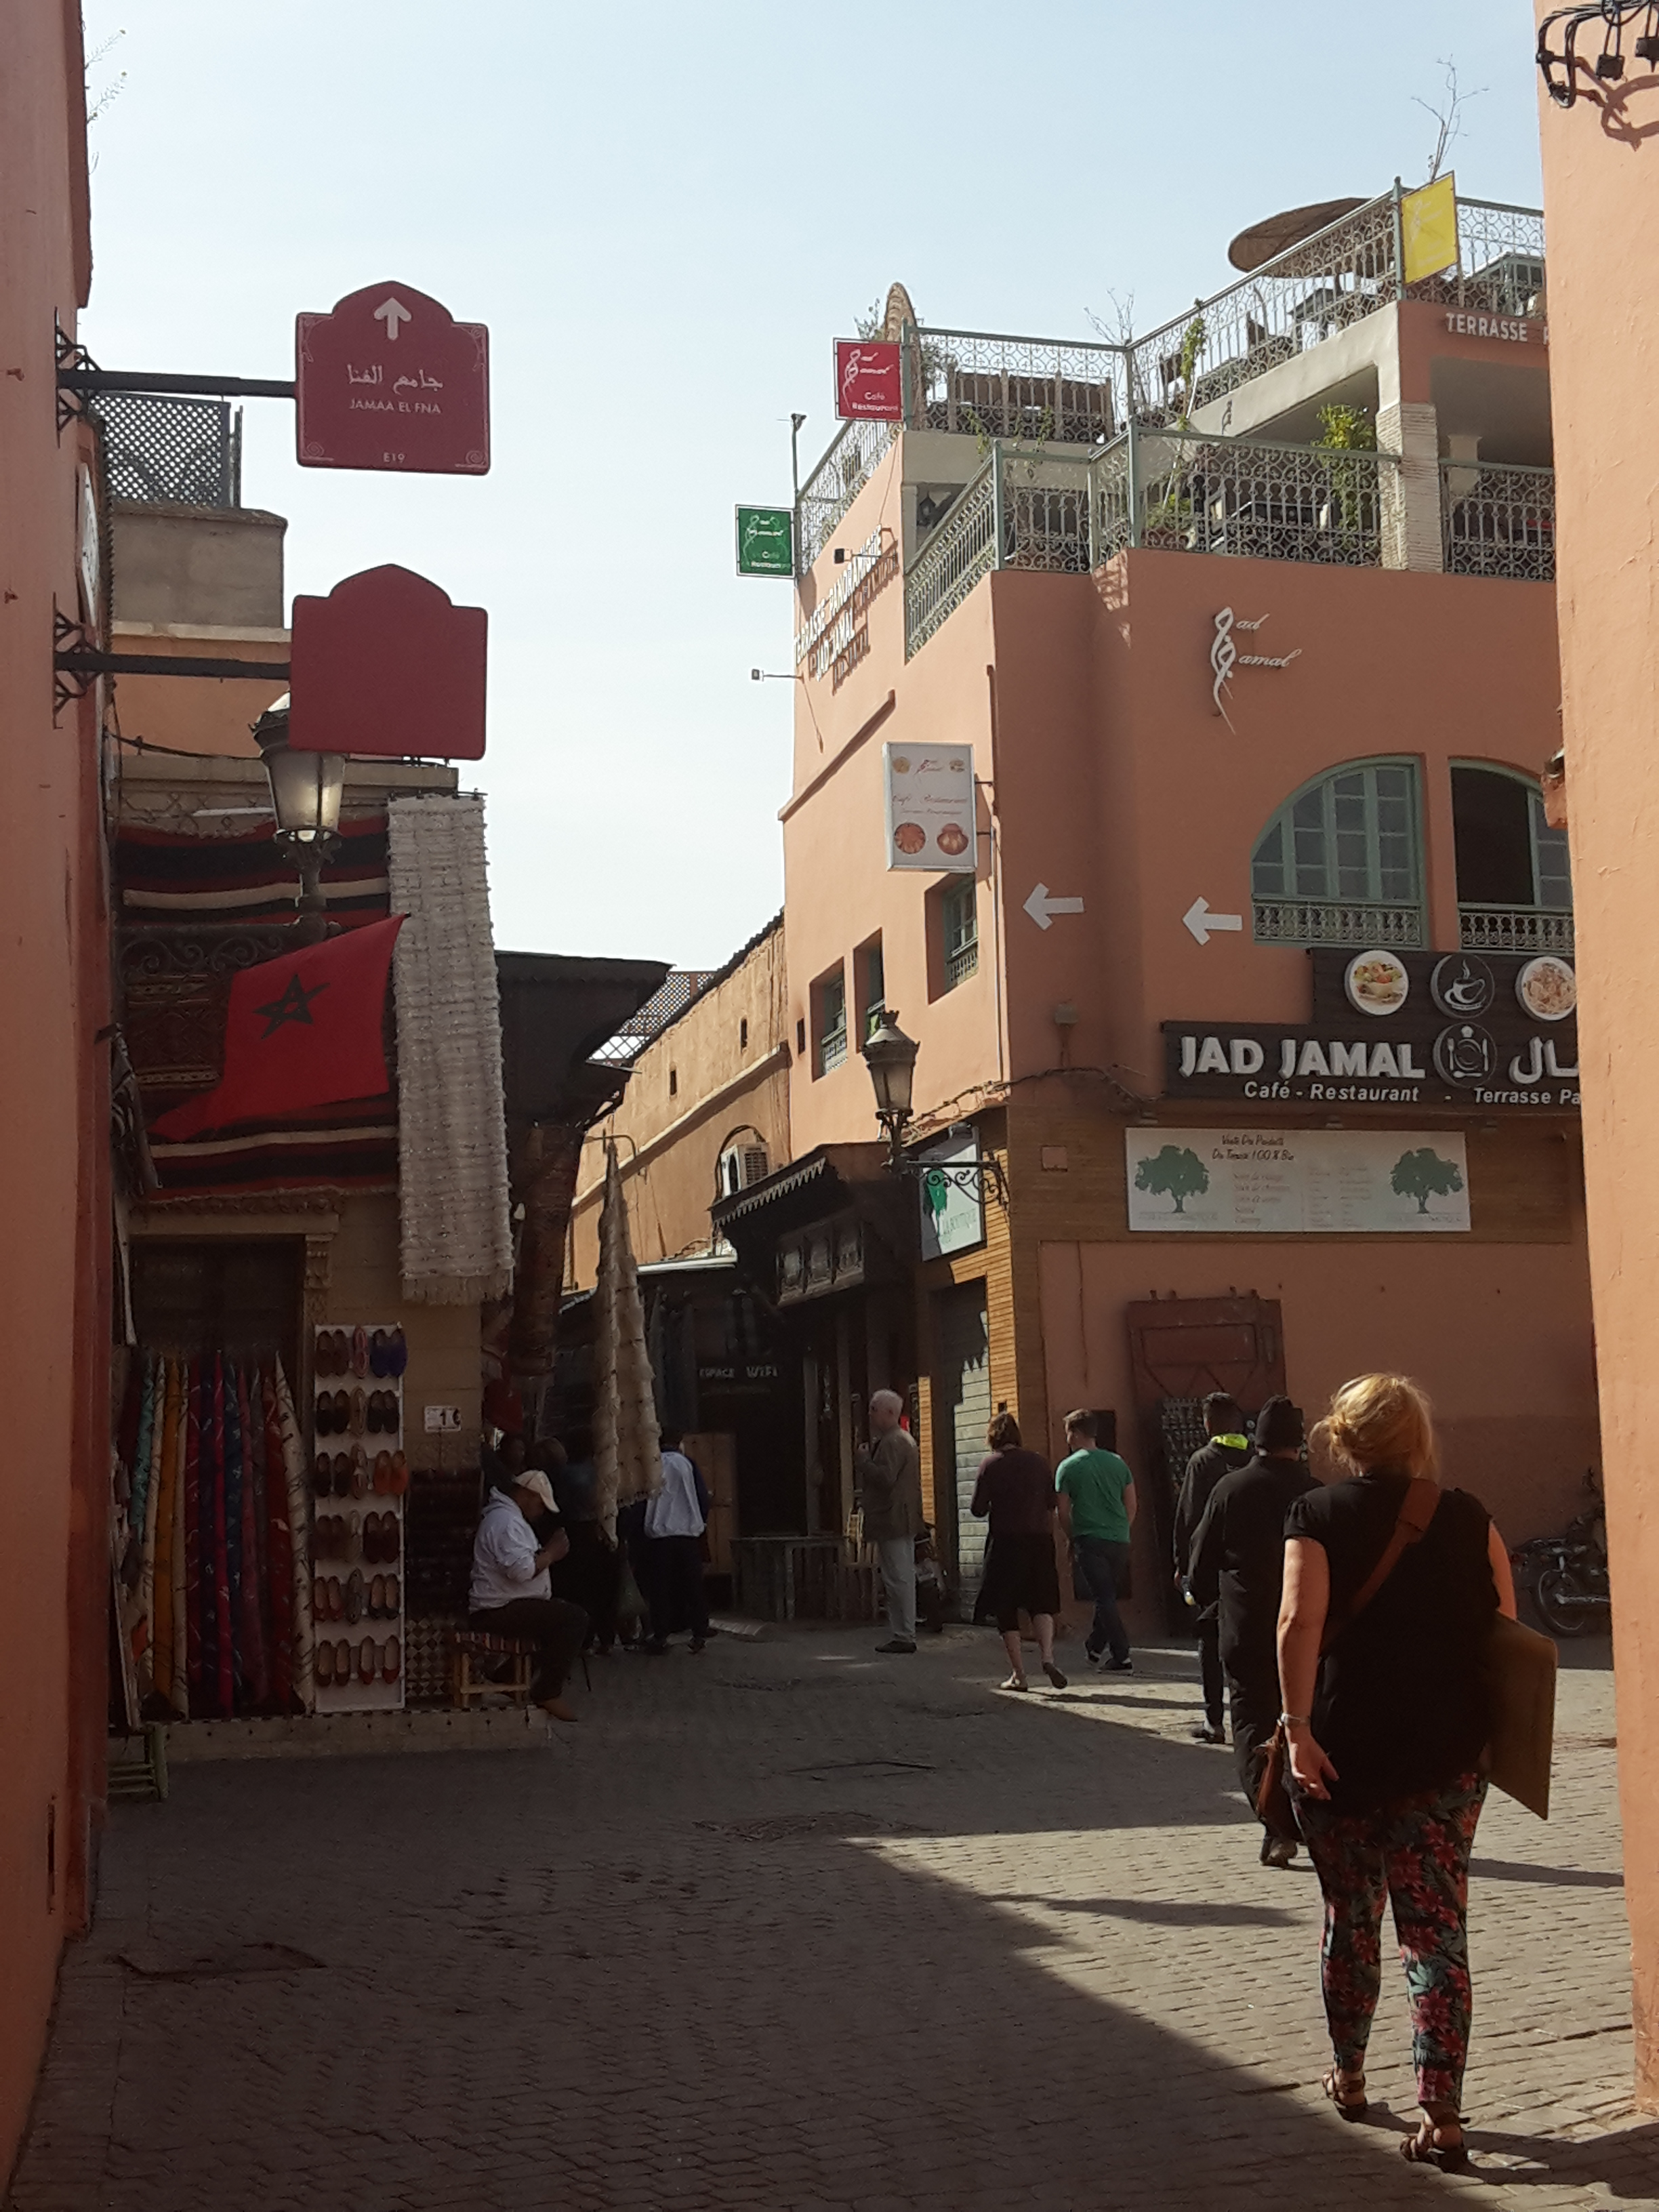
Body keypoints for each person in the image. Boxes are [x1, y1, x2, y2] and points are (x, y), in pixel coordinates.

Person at [1278, 1374, 1517, 2172]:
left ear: (1345, 1441)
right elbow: (1508, 1637)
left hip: (1341, 1752)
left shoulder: (1315, 1515)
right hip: (1445, 1762)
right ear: (1417, 1435)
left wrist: (1297, 1728)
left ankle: (1348, 2076)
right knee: (1437, 1937)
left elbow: (1296, 1623)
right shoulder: (1468, 1516)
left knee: (1351, 1918)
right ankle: (1442, 2116)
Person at [1187, 1395, 1314, 1866]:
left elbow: (1201, 1562)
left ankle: (1275, 1824)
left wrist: (1205, 1600)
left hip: (1245, 1627)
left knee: (1251, 1725)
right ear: (1298, 1444)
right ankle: (1309, 1817)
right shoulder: (1316, 1494)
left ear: (1257, 1440)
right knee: (1305, 1722)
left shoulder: (1229, 1488)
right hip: (1305, 1630)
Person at [468, 1467, 588, 1723]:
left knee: (557, 1619)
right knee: (573, 1619)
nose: (541, 1511)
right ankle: (548, 1690)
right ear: (526, 1494)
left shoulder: (509, 1520)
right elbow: (521, 1570)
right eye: (540, 1504)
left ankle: (508, 1676)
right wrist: (551, 1554)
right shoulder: (506, 1522)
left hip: (505, 1604)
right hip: (498, 1608)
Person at [1174, 1393, 1254, 1740]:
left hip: (1210, 1567)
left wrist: (1183, 1566)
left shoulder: (1203, 1461)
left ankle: (1214, 1720)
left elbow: (1189, 1517)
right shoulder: (1255, 1459)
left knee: (1209, 1639)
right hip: (1251, 1568)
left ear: (1207, 1424)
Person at [971, 1412, 1067, 1692]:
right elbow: (1051, 1501)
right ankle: (1048, 1657)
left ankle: (1019, 1674)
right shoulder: (1038, 1462)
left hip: (1005, 1543)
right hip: (1039, 1541)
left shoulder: (990, 1464)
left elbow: (977, 1508)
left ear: (992, 1438)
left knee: (1006, 1607)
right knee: (1042, 1602)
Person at [1054, 1410, 1136, 1673]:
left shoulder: (1068, 1467)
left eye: (1068, 1432)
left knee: (1103, 1598)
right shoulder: (1118, 1462)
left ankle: (1122, 1655)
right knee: (1108, 1596)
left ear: (1076, 1434)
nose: (1067, 1438)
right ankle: (1095, 1646)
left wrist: (1071, 1537)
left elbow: (1063, 1512)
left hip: (1089, 1538)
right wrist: (1122, 1528)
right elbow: (1132, 1504)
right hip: (1119, 1539)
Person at [855, 1389, 922, 1656]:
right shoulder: (899, 1440)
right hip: (896, 1517)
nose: (870, 1414)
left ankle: (904, 1634)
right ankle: (902, 1632)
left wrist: (863, 1462)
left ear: (890, 1413)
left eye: (874, 1409)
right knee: (898, 1576)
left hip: (893, 1517)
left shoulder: (894, 1442)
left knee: (898, 1578)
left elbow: (885, 1478)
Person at [642, 1428, 712, 1654]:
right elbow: (702, 1497)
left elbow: (641, 1501)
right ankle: (700, 1631)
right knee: (693, 1585)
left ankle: (661, 1634)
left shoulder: (651, 1465)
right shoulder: (688, 1464)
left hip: (658, 1538)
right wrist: (700, 1521)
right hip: (687, 1535)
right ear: (679, 1442)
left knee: (660, 1588)